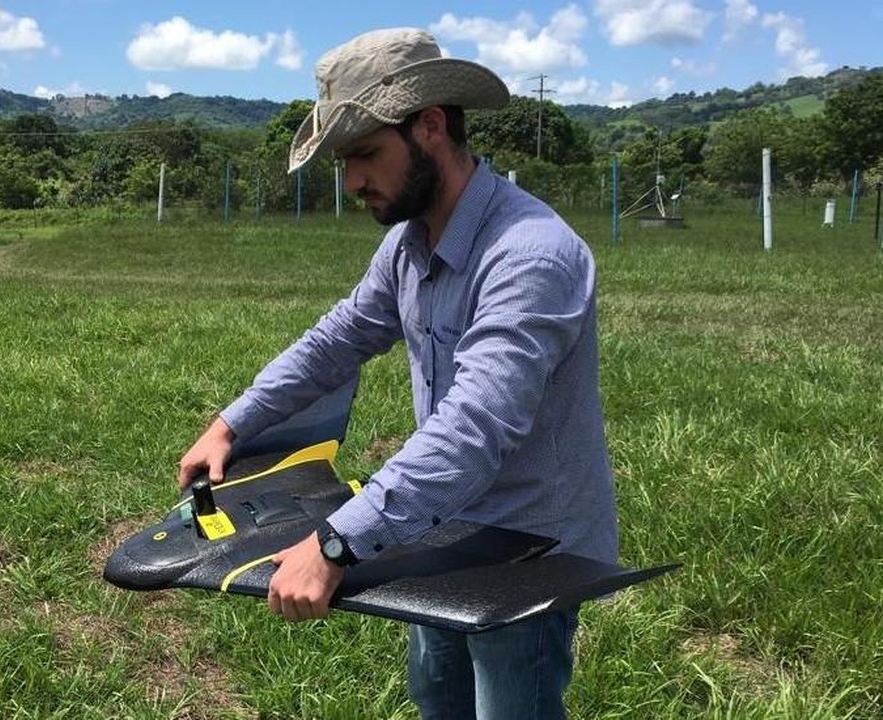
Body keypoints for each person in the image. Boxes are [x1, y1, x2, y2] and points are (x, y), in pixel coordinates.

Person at [178, 27, 618, 720]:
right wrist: (233, 422)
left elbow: (474, 428)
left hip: (530, 548)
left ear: (432, 127)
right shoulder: (407, 245)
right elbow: (340, 338)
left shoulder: (532, 256)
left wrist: (335, 544)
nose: (351, 180)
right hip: (437, 518)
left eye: (364, 155)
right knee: (437, 695)